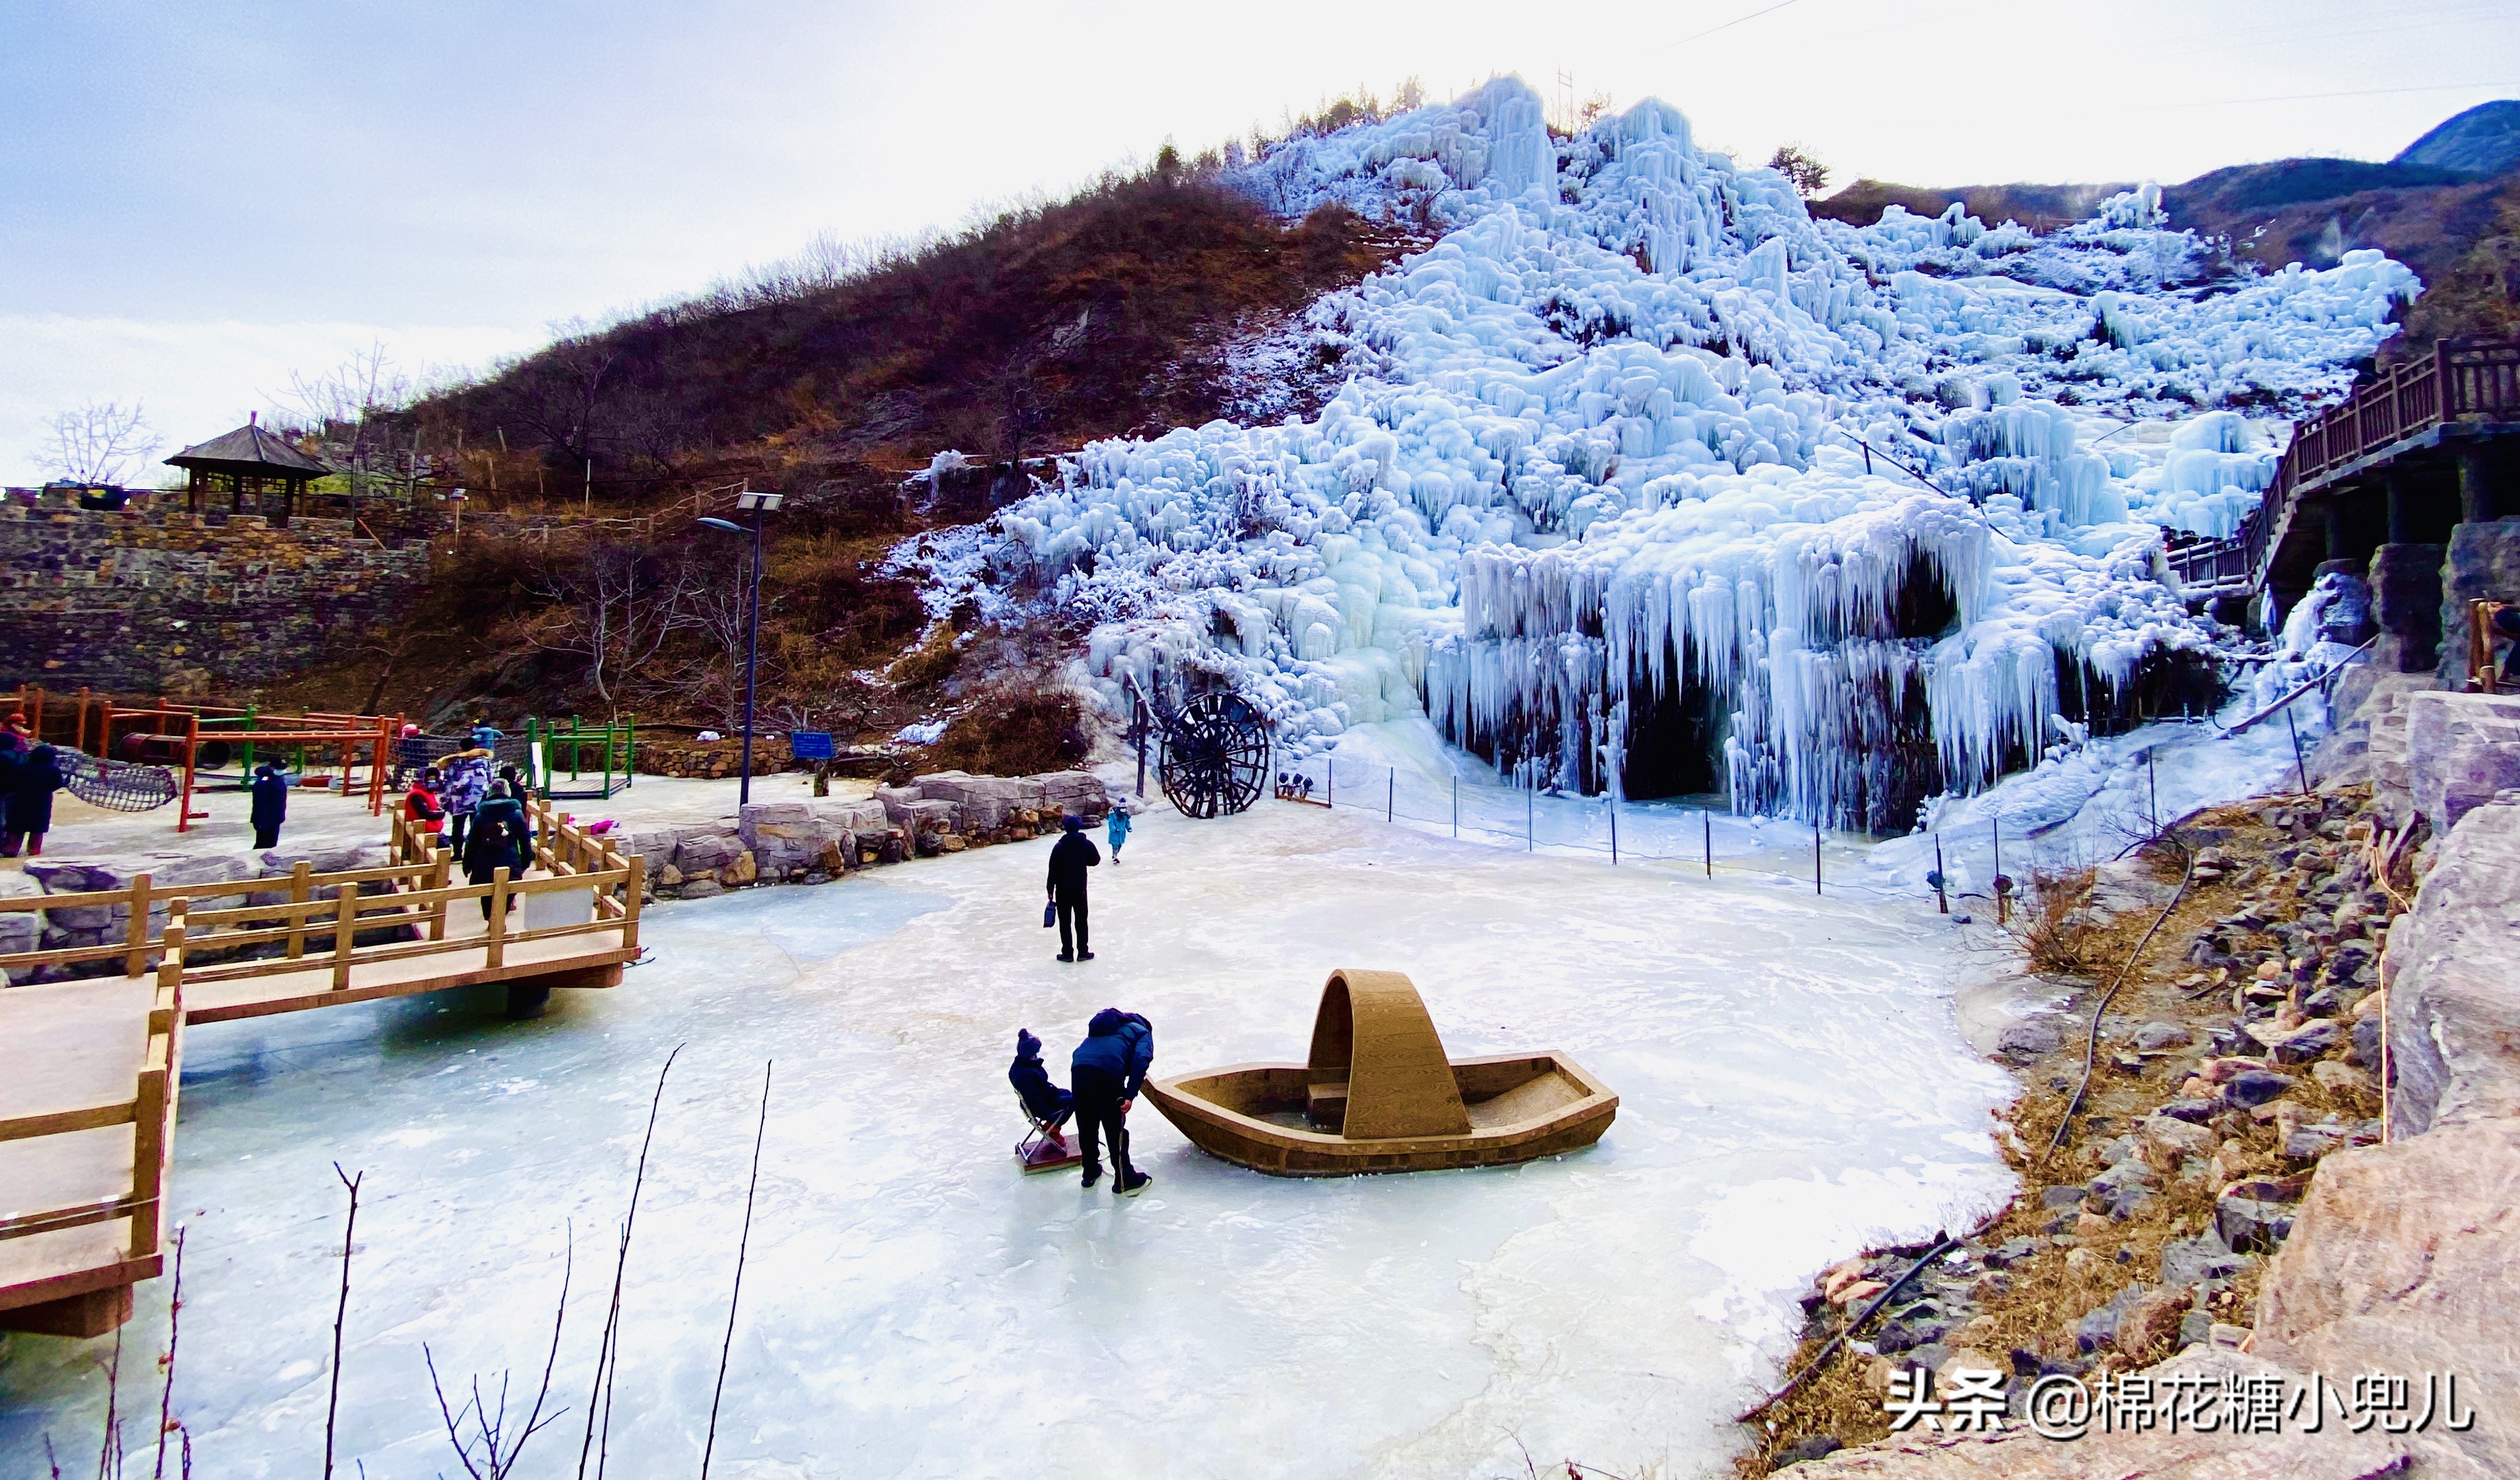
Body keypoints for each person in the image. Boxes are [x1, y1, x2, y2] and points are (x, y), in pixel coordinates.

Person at [1070, 1008, 1154, 1194]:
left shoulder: (1108, 1027)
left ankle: (1090, 1171)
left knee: (1087, 1124)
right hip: (1106, 1073)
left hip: (1079, 1068)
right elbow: (1141, 1060)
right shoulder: (1142, 1032)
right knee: (1114, 1127)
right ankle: (1124, 1179)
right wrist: (1130, 1095)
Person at [464, 780, 532, 920]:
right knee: (507, 893)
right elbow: (525, 839)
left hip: (484, 863)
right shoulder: (517, 813)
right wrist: (525, 861)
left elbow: (472, 842)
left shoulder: (480, 815)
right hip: (510, 862)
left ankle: (491, 922)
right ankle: (499, 922)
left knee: (487, 895)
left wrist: (467, 864)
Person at [1045, 814, 1101, 962]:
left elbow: (1053, 870)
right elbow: (1096, 860)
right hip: (1080, 891)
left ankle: (1068, 954)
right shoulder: (1086, 844)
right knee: (1081, 921)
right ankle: (1083, 952)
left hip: (1062, 891)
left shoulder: (1059, 847)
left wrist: (1050, 890)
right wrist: (1082, 862)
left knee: (1065, 923)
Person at [1008, 1029, 1074, 1144]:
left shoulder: (1021, 1067)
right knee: (1076, 1101)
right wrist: (1049, 1115)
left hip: (1045, 1096)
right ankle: (1053, 1128)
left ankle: (1052, 1126)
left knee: (1068, 1094)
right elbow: (1034, 1099)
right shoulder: (1026, 1075)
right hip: (1042, 1105)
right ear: (1030, 1054)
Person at [2, 743, 66, 858]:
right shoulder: (54, 770)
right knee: (37, 831)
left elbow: (12, 784)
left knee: (16, 830)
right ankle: (33, 853)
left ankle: (11, 851)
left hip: (20, 801)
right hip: (42, 803)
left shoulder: (23, 767)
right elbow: (57, 785)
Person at [442, 747, 492, 855]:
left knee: (458, 828)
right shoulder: (483, 763)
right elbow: (489, 780)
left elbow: (448, 780)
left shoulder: (454, 764)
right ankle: (475, 853)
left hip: (458, 801)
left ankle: (457, 854)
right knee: (477, 827)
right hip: (477, 800)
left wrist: (446, 800)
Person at [249, 759, 290, 850]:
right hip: (265, 820)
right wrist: (261, 821)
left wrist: (280, 817)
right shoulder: (264, 781)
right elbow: (260, 803)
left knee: (272, 844)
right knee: (263, 845)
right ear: (272, 768)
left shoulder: (278, 778)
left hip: (276, 818)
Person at [404, 767, 446, 842]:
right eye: (431, 779)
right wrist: (442, 813)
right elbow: (425, 814)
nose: (434, 782)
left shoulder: (427, 792)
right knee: (443, 844)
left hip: (430, 827)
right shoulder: (416, 795)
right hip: (422, 828)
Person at [1105, 800, 1133, 866]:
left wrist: (1129, 828)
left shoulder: (1125, 816)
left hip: (1121, 834)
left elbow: (1127, 823)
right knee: (1115, 846)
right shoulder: (1113, 816)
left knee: (1119, 845)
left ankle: (1115, 855)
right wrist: (1114, 829)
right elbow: (1111, 823)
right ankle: (1115, 857)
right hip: (1114, 835)